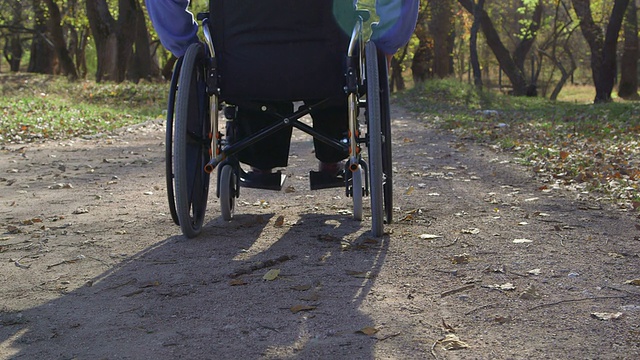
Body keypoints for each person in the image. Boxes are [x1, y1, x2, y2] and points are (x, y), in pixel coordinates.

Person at [146, 0, 419, 187]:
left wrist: (187, 46)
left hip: (243, 67)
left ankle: (260, 162)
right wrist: (387, 42)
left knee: (254, 64)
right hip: (326, 65)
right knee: (335, 62)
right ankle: (333, 154)